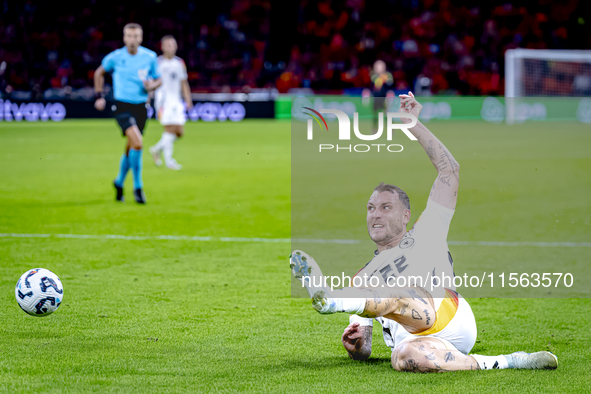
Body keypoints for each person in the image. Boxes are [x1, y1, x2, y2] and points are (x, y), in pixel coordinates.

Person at [290, 92, 558, 372]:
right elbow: (365, 350)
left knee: (393, 292)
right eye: (370, 208)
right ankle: (509, 361)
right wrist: (356, 345)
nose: (375, 214)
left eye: (385, 207)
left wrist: (412, 124)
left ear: (406, 215)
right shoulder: (362, 278)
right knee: (402, 358)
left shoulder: (428, 230)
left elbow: (449, 171)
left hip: (449, 319)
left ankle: (331, 300)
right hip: (417, 345)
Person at [94, 23, 161, 204]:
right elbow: (99, 72)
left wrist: (152, 85)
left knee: (131, 147)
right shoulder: (115, 57)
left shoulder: (150, 57)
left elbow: (158, 79)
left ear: (141, 38)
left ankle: (118, 182)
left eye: (136, 36)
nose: (132, 40)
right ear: (124, 38)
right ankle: (138, 187)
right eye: (129, 36)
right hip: (122, 107)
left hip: (141, 107)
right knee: (138, 144)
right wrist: (99, 96)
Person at [149, 35, 193, 171]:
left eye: (172, 45)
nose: (170, 47)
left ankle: (156, 149)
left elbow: (183, 82)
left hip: (176, 100)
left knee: (179, 132)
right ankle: (169, 161)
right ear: (162, 47)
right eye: (167, 45)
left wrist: (188, 99)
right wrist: (149, 97)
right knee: (169, 129)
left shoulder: (180, 63)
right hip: (163, 101)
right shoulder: (157, 63)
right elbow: (150, 82)